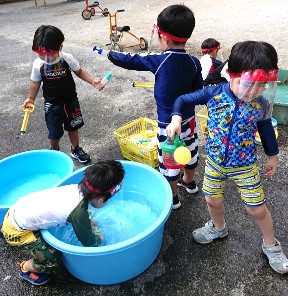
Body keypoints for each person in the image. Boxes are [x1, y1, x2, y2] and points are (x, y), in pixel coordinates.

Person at [166, 41, 288, 274]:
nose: (254, 91)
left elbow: (264, 129)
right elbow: (182, 101)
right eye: (248, 84)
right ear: (231, 74)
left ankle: (271, 244)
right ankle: (218, 228)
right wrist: (176, 119)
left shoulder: (259, 104)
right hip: (214, 162)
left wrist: (272, 155)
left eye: (261, 86)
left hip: (245, 166)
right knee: (212, 199)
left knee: (257, 209)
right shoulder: (214, 93)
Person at [101, 4, 203, 209]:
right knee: (190, 151)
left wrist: (107, 54)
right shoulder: (194, 62)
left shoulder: (159, 60)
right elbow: (198, 91)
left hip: (168, 124)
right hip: (189, 121)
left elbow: (131, 60)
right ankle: (189, 182)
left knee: (169, 161)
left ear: (163, 38)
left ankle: (173, 198)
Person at [0, 160, 125, 285]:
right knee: (54, 261)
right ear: (100, 199)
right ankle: (25, 268)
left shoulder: (75, 189)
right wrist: (99, 239)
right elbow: (89, 243)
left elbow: (70, 212)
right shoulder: (78, 213)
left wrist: (87, 222)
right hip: (17, 233)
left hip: (14, 212)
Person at [23, 25, 104, 164]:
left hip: (70, 100)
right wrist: (30, 98)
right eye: (41, 53)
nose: (46, 58)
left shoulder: (67, 58)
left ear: (60, 47)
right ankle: (54, 151)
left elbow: (79, 72)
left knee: (73, 126)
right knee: (54, 131)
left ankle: (75, 149)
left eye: (50, 53)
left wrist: (93, 81)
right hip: (52, 104)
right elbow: (35, 82)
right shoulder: (38, 64)